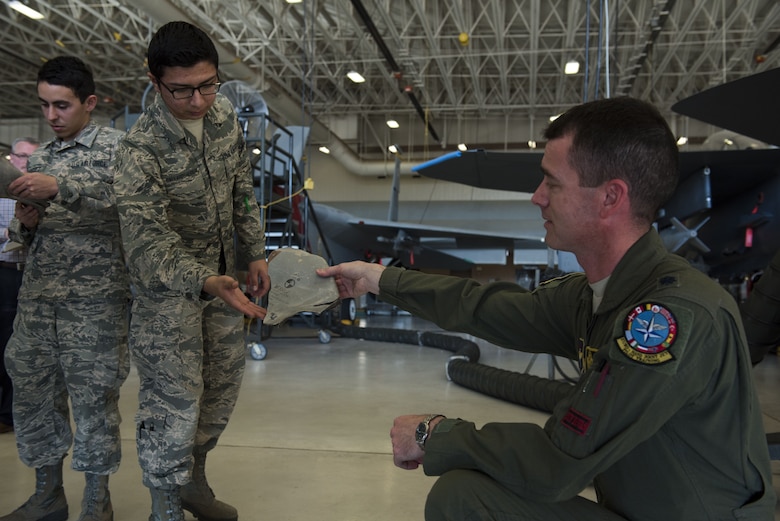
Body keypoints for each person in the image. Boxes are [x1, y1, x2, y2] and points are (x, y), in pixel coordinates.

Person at [317, 97, 776, 520]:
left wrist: (433, 434)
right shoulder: (601, 295)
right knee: (464, 494)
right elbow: (484, 308)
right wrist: (378, 280)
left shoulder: (666, 318)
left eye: (552, 184)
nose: (537, 196)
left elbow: (562, 460)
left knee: (461, 497)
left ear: (610, 198)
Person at [113, 21, 269, 521]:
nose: (198, 101)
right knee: (171, 407)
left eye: (208, 85)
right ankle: (165, 508)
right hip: (168, 297)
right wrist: (204, 278)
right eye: (182, 90)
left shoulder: (224, 117)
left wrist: (255, 252)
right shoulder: (138, 150)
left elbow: (242, 185)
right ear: (155, 82)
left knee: (219, 393)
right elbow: (147, 243)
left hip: (224, 287)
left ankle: (194, 484)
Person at [0, 56, 130, 521]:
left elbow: (129, 210)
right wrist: (27, 223)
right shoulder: (37, 158)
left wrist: (61, 188)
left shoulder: (121, 149)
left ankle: (97, 502)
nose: (52, 116)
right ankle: (48, 493)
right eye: (44, 105)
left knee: (94, 401)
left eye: (62, 105)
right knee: (33, 392)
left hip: (95, 304)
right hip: (38, 300)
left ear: (89, 103)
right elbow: (25, 238)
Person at [0, 137, 39, 435]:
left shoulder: (43, 195)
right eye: (22, 155)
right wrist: (12, 229)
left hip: (33, 276)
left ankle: (11, 414)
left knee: (25, 347)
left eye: (32, 158)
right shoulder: (3, 195)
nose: (26, 162)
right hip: (5, 272)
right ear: (12, 158)